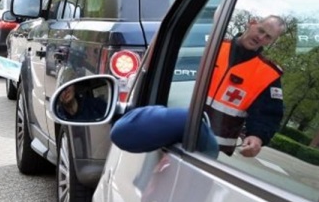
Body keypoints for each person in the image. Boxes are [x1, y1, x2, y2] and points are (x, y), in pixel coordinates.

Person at [111, 15, 287, 159]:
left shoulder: (268, 74)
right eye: (261, 30)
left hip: (211, 154)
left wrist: (257, 136)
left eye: (268, 37)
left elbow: (268, 114)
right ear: (252, 22)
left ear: (271, 42)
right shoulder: (211, 47)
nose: (260, 37)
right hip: (172, 135)